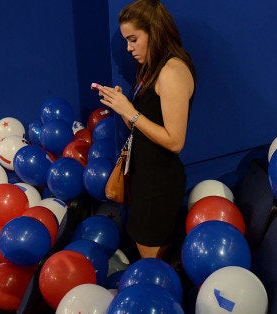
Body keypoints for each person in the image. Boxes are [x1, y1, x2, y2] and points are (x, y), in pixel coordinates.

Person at [97, 0, 196, 259]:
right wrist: (123, 108)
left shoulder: (172, 71)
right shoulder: (152, 68)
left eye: (133, 39)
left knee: (152, 268)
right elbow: (142, 127)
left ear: (155, 31)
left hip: (159, 184)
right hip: (144, 180)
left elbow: (175, 141)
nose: (128, 48)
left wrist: (130, 111)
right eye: (125, 41)